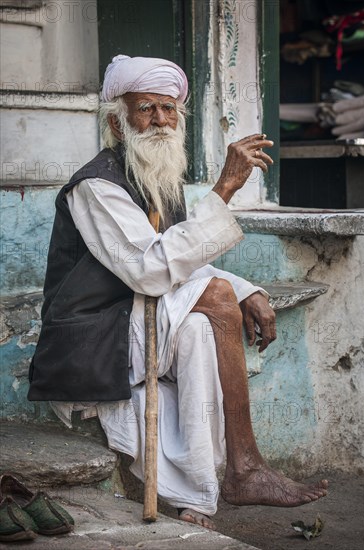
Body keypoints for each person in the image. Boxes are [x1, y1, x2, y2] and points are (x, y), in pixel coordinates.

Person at [28, 54, 327, 529]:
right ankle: (246, 466)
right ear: (119, 120)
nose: (161, 120)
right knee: (215, 300)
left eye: (169, 109)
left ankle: (200, 493)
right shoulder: (95, 185)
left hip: (138, 320)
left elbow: (182, 257)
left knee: (197, 329)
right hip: (94, 335)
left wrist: (248, 289)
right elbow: (150, 271)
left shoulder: (159, 178)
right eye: (146, 108)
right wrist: (224, 190)